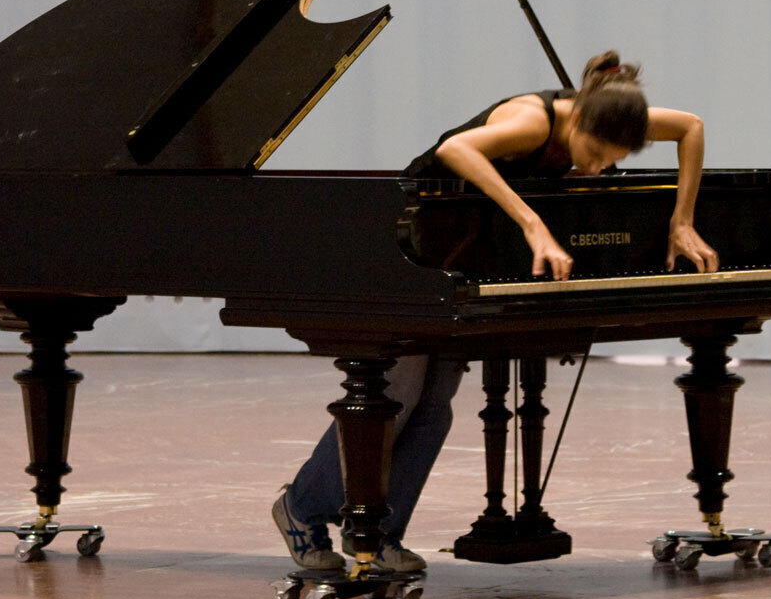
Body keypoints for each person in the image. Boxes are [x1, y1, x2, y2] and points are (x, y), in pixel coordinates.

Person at [272, 50, 718, 571]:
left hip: (467, 245)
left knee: (435, 402)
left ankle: (378, 530)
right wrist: (533, 225)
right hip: (415, 239)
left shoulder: (611, 116)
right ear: (577, 120)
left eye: (611, 160)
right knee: (397, 391)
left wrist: (681, 220)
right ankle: (301, 508)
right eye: (594, 152)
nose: (597, 168)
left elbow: (691, 126)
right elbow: (457, 149)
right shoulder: (531, 121)